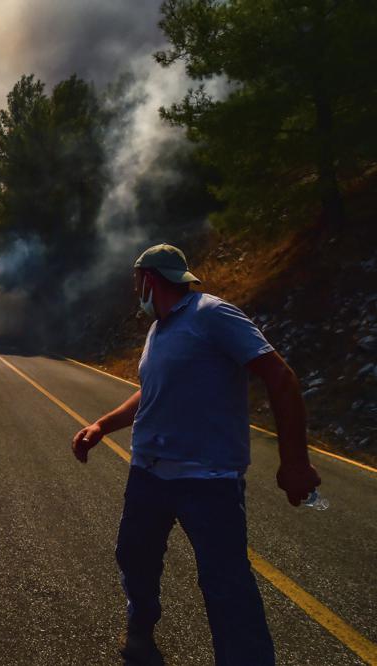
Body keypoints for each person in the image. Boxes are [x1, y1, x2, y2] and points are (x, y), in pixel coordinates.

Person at [71, 244, 321, 666]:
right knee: (134, 556)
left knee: (226, 586)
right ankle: (141, 631)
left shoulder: (212, 314)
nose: (136, 292)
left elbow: (279, 375)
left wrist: (294, 460)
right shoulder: (159, 331)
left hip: (208, 481)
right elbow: (150, 394)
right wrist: (101, 427)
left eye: (137, 283)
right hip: (149, 474)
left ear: (149, 279)